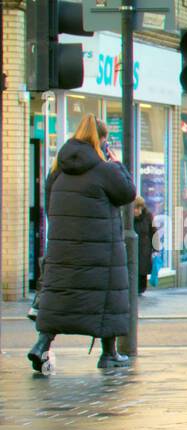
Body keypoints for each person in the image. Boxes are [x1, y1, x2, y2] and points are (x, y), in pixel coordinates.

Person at [28, 116, 136, 372]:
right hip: (101, 250)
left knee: (60, 296)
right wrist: (117, 163)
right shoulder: (105, 170)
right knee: (107, 296)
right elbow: (128, 193)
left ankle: (42, 345)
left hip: (64, 249)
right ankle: (109, 354)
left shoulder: (58, 170)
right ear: (101, 141)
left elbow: (51, 209)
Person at [132, 196, 156, 295]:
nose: (137, 211)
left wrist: (155, 248)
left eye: (139, 208)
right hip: (133, 248)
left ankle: (141, 289)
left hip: (145, 248)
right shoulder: (128, 218)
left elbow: (153, 232)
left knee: (142, 270)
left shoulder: (148, 216)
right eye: (135, 208)